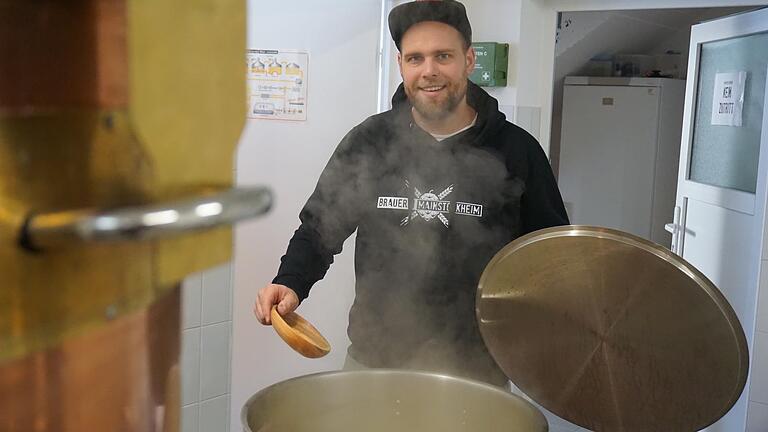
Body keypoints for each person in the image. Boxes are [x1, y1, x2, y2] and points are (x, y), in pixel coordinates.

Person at [254, 0, 568, 387]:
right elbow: (320, 228)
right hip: (374, 363)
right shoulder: (370, 140)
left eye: (444, 56)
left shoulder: (517, 151)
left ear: (468, 60)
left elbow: (548, 258)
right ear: (401, 65)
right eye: (415, 58)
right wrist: (291, 281)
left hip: (476, 372)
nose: (429, 71)